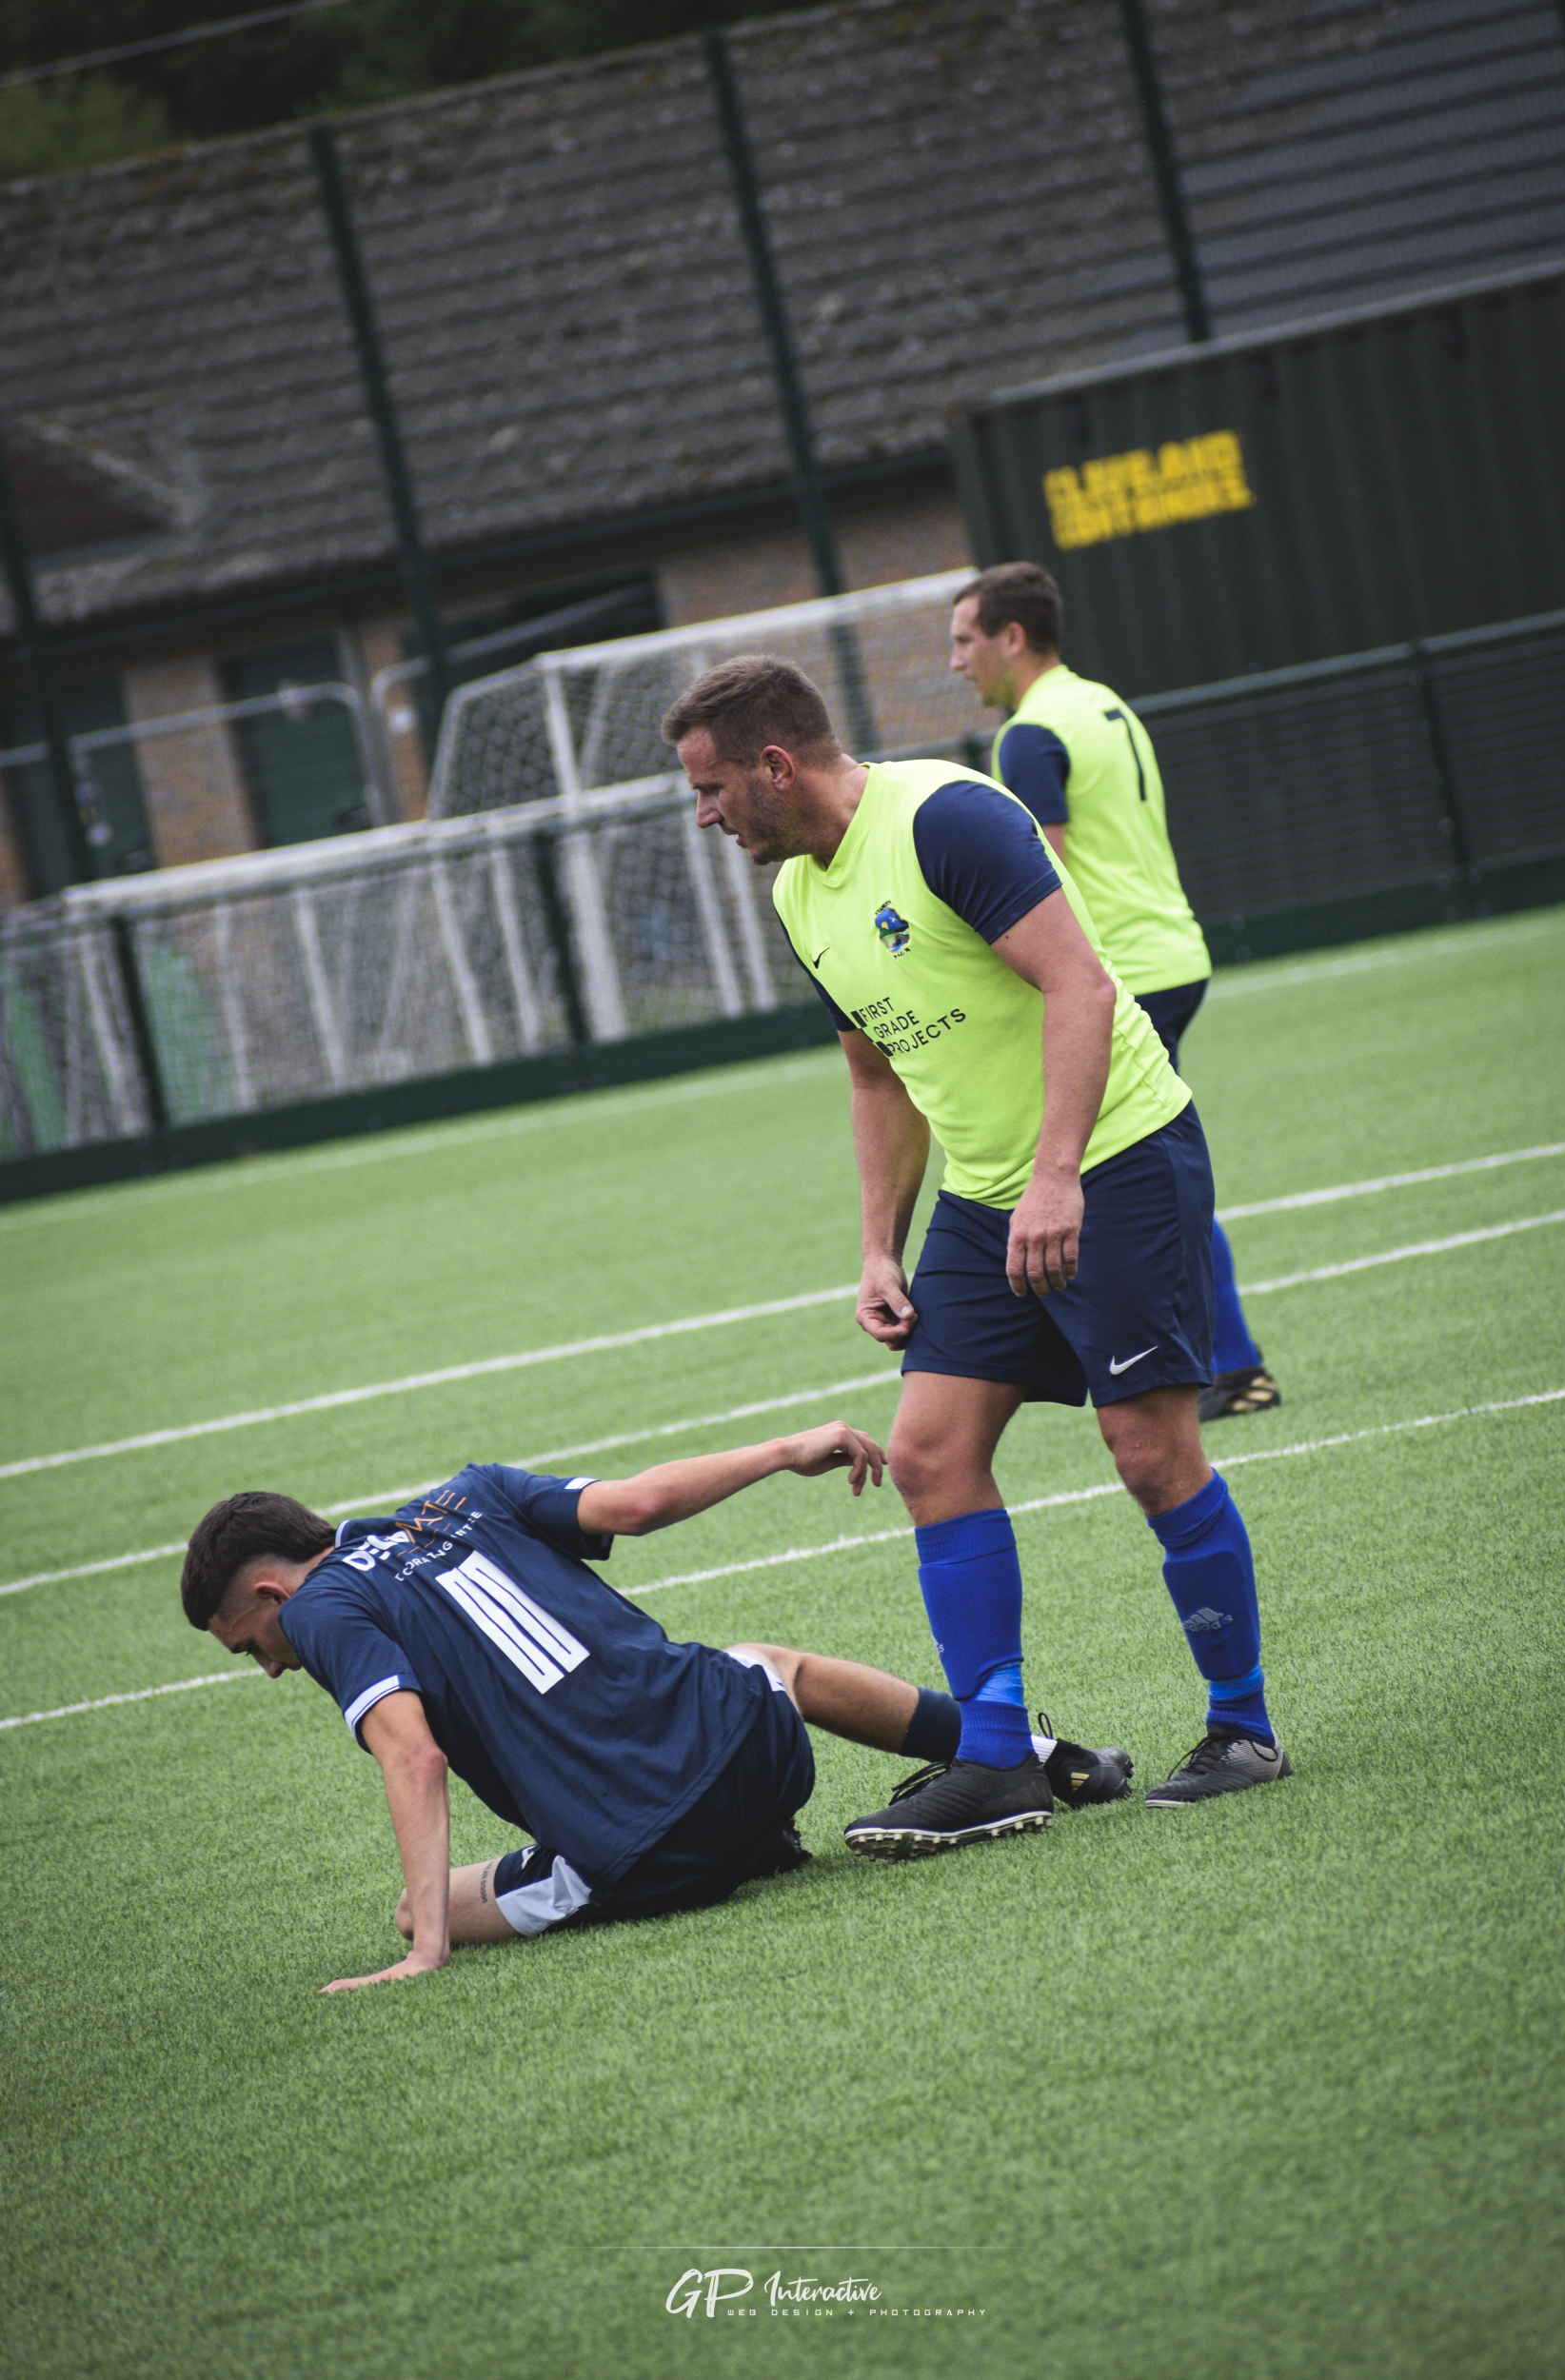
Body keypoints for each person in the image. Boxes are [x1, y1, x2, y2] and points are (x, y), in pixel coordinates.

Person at [664, 657, 1292, 1851]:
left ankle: (1240, 1727)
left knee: (1148, 1451)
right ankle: (998, 1759)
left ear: (773, 765)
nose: (703, 814)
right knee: (928, 1455)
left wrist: (1055, 1174)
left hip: (1115, 1158)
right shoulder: (799, 889)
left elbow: (1081, 986)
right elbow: (872, 1068)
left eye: (709, 788)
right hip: (981, 1195)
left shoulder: (946, 818)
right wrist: (873, 1247)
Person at [181, 1419, 1134, 1989]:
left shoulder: (321, 1611)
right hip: (753, 1753)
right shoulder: (466, 1495)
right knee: (768, 1663)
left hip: (640, 1852)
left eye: (248, 1644)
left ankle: (711, 1850)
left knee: (404, 1910)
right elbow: (635, 1504)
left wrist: (427, 1948)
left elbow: (413, 1756)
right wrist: (780, 1449)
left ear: (270, 1595)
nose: (268, 1665)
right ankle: (1033, 1756)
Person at [949, 561, 1279, 1423]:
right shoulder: (1102, 702)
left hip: (1124, 969)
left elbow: (1040, 871)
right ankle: (1214, 1360)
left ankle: (1231, 1366)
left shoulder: (1025, 736)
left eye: (963, 641)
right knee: (1143, 1163)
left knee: (1138, 1166)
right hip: (1174, 947)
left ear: (1010, 638)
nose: (956, 662)